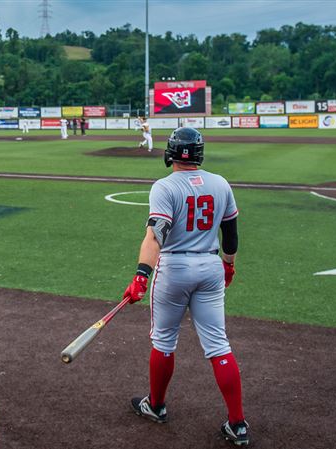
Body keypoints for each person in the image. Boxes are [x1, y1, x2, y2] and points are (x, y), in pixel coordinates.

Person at [124, 127, 249, 446]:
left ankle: (156, 405)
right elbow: (231, 236)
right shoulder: (221, 183)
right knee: (219, 345)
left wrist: (141, 275)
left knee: (164, 341)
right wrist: (229, 264)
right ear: (199, 153)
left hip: (175, 269)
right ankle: (237, 424)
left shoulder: (164, 187)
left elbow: (156, 236)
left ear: (171, 153)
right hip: (209, 268)